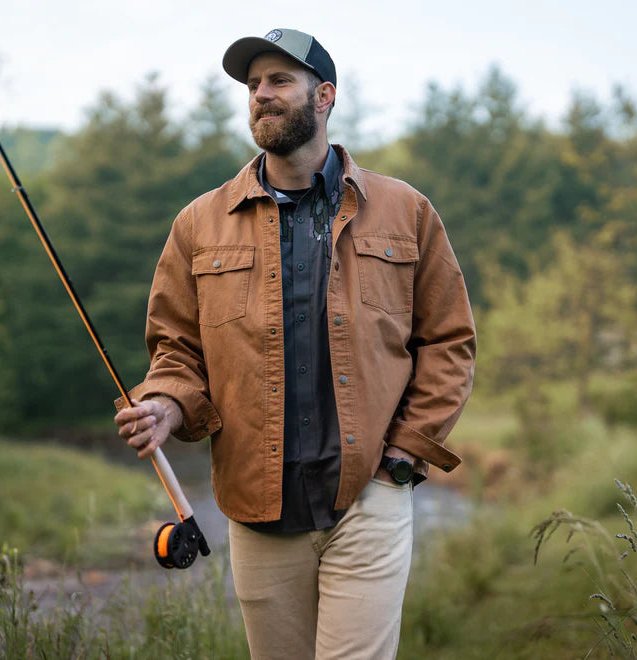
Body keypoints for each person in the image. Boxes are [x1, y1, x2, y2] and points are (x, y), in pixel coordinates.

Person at [114, 28, 475, 659]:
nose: (261, 95)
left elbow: (447, 340)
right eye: (253, 85)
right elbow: (176, 349)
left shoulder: (405, 211)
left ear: (325, 95)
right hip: (257, 508)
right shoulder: (199, 223)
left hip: (368, 495)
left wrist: (402, 459)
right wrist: (165, 407)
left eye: (279, 80)